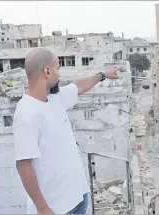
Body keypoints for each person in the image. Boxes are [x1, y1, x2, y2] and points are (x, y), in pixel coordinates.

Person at [14, 48, 124, 214]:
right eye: (58, 68)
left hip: (78, 197)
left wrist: (103, 74)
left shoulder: (54, 98)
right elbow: (23, 164)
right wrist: (42, 208)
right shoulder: (27, 112)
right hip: (56, 208)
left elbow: (79, 87)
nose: (60, 74)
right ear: (47, 71)